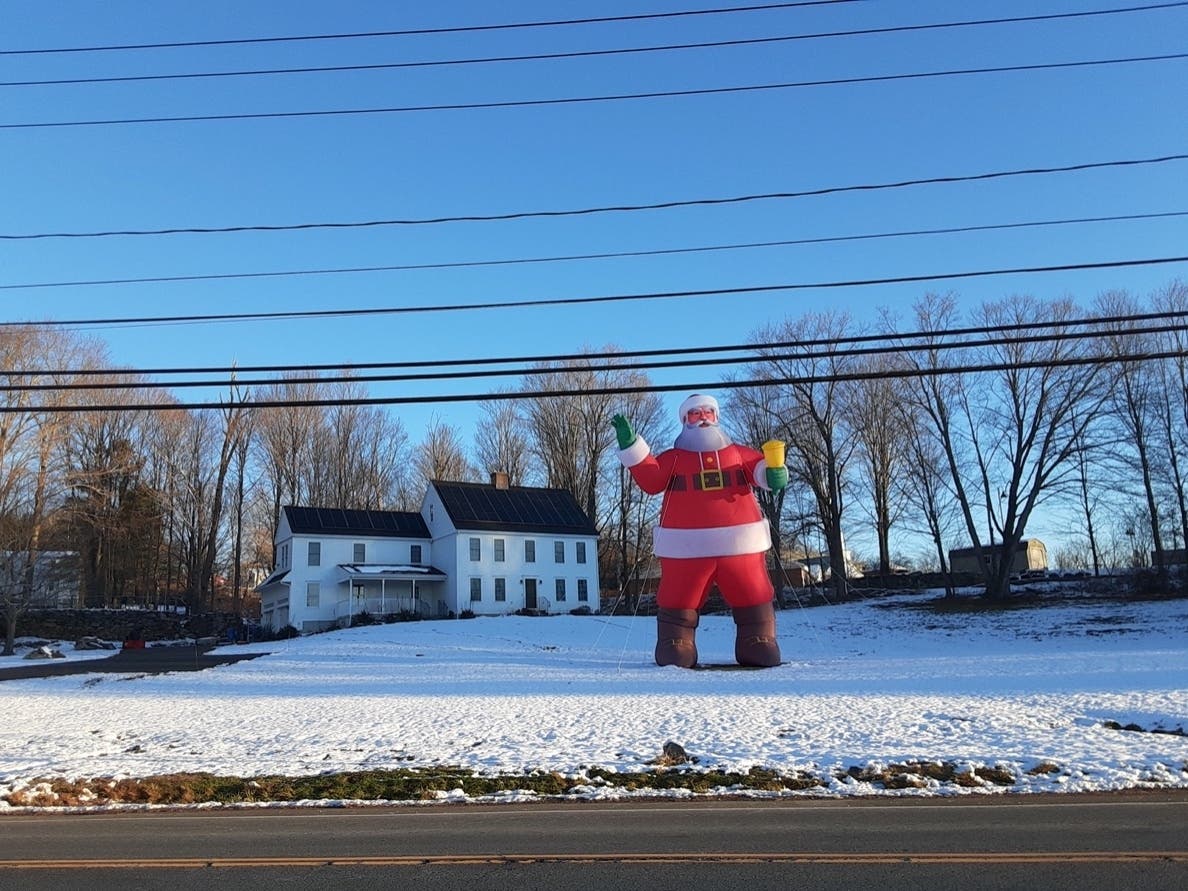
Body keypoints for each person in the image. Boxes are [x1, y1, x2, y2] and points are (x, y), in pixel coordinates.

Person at [612, 394, 789, 668]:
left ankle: (758, 638)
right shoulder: (674, 459)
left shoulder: (738, 454)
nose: (703, 418)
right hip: (685, 549)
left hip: (740, 545)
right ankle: (675, 641)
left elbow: (762, 472)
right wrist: (631, 446)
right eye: (695, 414)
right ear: (685, 421)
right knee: (679, 595)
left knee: (752, 592)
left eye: (709, 412)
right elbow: (651, 479)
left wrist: (775, 472)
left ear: (716, 417)